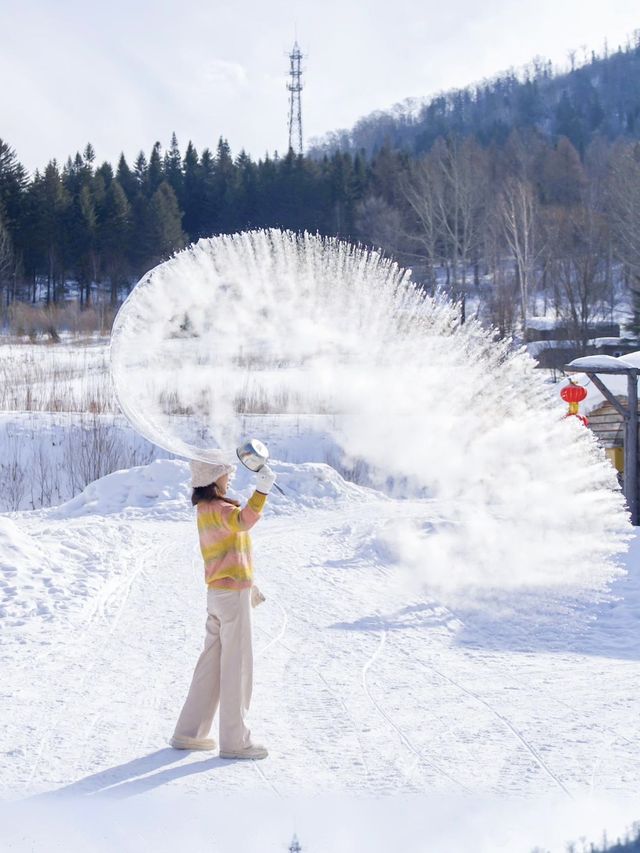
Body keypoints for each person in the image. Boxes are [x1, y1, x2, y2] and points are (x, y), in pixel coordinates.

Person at [169, 458, 276, 760]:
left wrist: (248, 583)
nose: (230, 476)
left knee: (211, 666)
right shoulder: (221, 509)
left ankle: (188, 733)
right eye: (225, 472)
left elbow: (229, 549)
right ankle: (235, 741)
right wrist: (262, 490)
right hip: (231, 596)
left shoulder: (205, 510)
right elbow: (244, 520)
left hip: (217, 593)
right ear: (213, 477)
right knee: (238, 666)